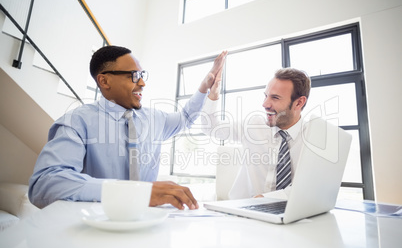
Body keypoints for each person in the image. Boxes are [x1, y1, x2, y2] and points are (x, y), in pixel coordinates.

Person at [29, 46, 227, 209]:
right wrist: (130, 193)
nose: (142, 83)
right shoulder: (76, 122)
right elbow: (45, 183)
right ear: (104, 80)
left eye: (142, 75)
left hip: (149, 226)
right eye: (133, 75)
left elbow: (185, 118)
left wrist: (204, 87)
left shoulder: (154, 118)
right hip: (97, 231)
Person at [201, 67, 310, 199]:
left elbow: (314, 186)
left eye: (275, 98)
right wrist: (214, 92)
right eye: (266, 96)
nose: (265, 104)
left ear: (299, 103)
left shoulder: (313, 138)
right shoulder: (253, 125)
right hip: (243, 213)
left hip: (293, 215)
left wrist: (269, 199)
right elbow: (211, 127)